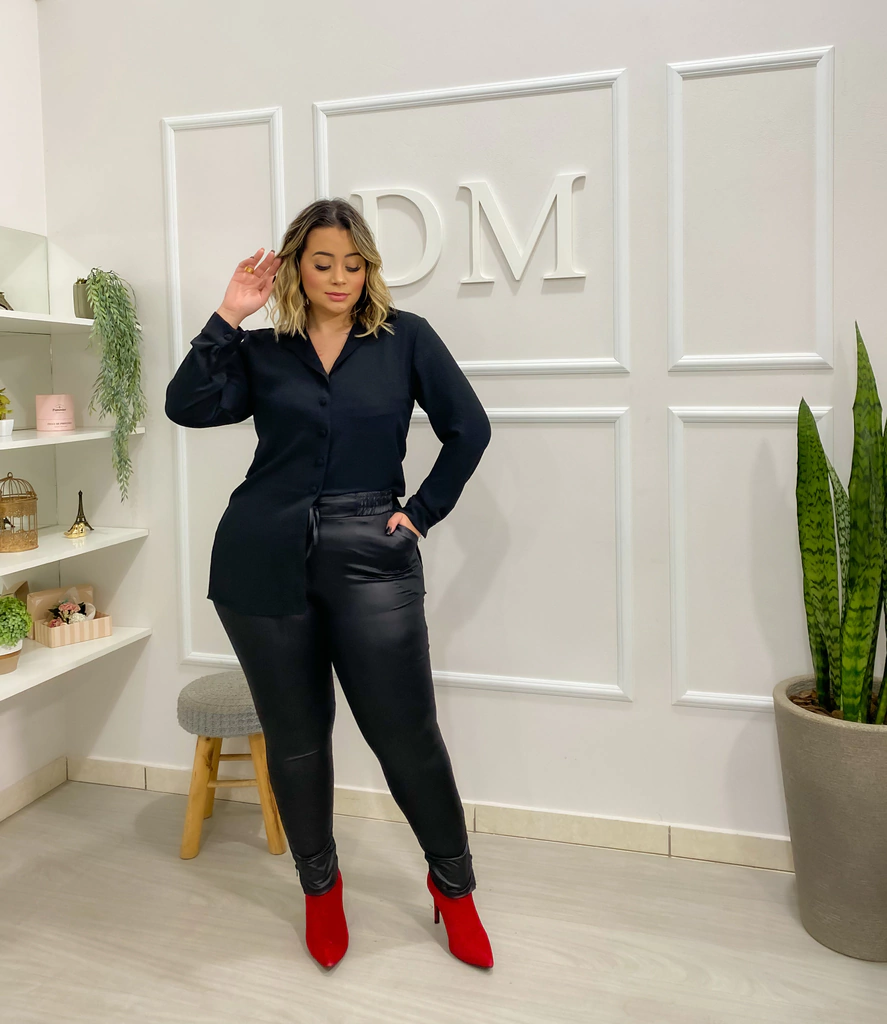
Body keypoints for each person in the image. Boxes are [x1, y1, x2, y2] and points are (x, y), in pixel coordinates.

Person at [164, 198, 493, 970]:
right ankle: (320, 890)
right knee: (297, 739)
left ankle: (453, 889)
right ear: (296, 268)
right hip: (260, 555)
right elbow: (187, 406)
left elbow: (468, 429)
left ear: (368, 267)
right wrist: (228, 314)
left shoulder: (405, 339)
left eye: (352, 263)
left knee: (406, 736)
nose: (339, 277)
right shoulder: (263, 349)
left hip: (371, 550)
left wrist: (420, 514)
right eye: (322, 263)